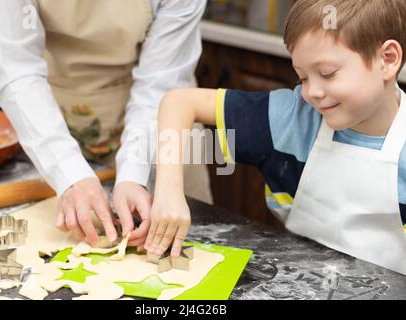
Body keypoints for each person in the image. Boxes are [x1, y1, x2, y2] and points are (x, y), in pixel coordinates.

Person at [145, 0, 406, 275]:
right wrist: (169, 192)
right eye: (302, 77)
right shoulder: (292, 120)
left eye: (327, 74)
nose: (311, 92)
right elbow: (178, 102)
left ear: (387, 59)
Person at [0, 0, 212, 249]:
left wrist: (134, 173)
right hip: (53, 115)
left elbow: (158, 86)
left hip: (165, 116)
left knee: (192, 241)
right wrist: (70, 174)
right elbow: (18, 70)